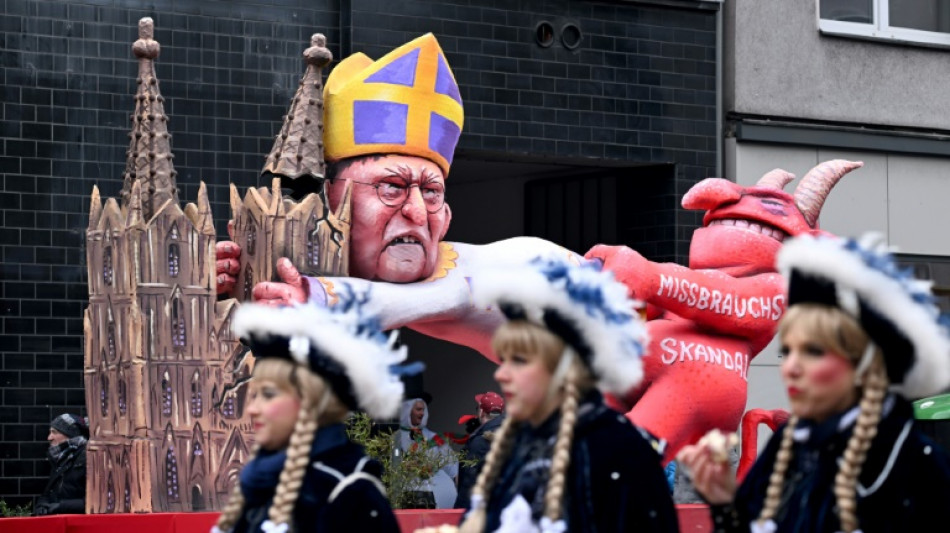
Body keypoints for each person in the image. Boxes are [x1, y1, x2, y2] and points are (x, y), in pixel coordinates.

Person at [216, 33, 582, 358]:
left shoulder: (484, 269)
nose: (418, 213)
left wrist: (315, 297)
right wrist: (229, 286)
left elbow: (423, 300)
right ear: (329, 203)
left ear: (448, 219)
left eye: (432, 192)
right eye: (392, 188)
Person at [677, 232, 950, 533]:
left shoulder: (915, 463)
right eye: (787, 351)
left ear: (864, 363)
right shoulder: (788, 446)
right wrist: (724, 503)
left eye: (813, 351)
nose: (792, 367)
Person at [458, 258, 679, 532]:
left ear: (564, 369)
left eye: (519, 360)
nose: (501, 375)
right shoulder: (515, 445)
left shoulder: (622, 450)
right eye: (502, 359)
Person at [212, 297, 407, 533]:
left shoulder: (351, 492)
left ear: (309, 401)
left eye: (269, 394)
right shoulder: (261, 482)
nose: (252, 409)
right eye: (254, 395)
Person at [394, 397, 459, 509]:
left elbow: (454, 468)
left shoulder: (434, 437)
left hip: (441, 498)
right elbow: (393, 468)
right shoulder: (397, 439)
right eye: (418, 409)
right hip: (411, 499)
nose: (422, 413)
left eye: (423, 410)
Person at [455, 391, 505, 510]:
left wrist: (459, 511)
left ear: (481, 412)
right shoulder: (513, 435)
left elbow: (469, 482)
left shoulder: (479, 442)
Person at [33, 414, 89, 516]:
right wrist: (41, 505)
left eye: (54, 432)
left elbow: (93, 502)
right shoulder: (60, 458)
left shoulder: (88, 457)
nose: (49, 437)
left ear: (70, 434)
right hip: (59, 522)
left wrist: (60, 506)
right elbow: (48, 492)